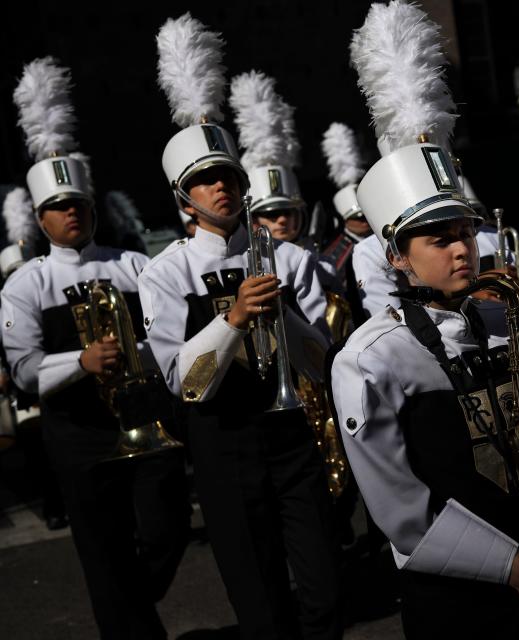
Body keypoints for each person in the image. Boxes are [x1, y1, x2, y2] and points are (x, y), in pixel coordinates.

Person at [336, 4, 519, 637]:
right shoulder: (369, 359)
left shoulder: (516, 323)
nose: (460, 249)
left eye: (464, 232)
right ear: (396, 257)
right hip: (455, 594)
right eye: (437, 239)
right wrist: (508, 565)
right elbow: (400, 515)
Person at [142, 14, 340, 638]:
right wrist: (231, 319)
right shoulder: (165, 271)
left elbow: (319, 361)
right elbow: (181, 381)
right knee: (260, 604)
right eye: (204, 179)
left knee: (327, 589)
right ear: (184, 198)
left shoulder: (285, 255)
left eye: (226, 175)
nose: (220, 187)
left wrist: (284, 313)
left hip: (288, 434)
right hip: (222, 442)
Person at [3, 57, 189, 639]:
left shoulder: (133, 264)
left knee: (167, 529)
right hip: (78, 437)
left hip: (145, 423)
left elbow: (170, 332)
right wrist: (81, 362)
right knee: (103, 551)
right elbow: (27, 372)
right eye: (60, 207)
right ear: (40, 218)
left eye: (79, 202)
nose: (72, 212)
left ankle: (134, 603)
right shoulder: (24, 283)